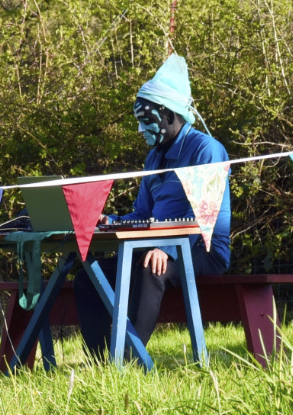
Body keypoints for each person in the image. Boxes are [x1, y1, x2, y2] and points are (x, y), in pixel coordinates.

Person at [74, 54, 231, 360]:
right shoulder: (154, 158)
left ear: (170, 115)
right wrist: (111, 221)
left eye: (145, 119)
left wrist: (170, 247)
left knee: (149, 268)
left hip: (202, 249)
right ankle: (100, 362)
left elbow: (206, 216)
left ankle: (131, 361)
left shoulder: (206, 150)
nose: (140, 129)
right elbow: (143, 215)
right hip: (157, 246)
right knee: (89, 276)